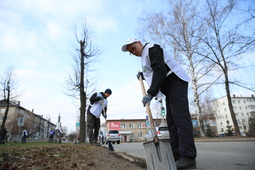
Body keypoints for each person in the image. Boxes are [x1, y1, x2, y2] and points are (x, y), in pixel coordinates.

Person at [122, 38, 197, 169]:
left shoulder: (152, 48)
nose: (133, 52)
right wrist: (144, 76)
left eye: (133, 48)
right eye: (130, 52)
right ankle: (176, 154)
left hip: (176, 80)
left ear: (139, 42)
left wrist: (150, 93)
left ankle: (188, 157)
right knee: (172, 121)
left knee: (180, 117)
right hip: (169, 86)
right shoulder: (145, 56)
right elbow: (153, 73)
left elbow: (160, 70)